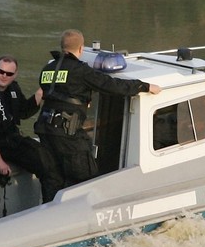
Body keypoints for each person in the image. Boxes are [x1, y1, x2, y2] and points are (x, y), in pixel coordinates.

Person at [35, 29, 160, 186]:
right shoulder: (81, 71)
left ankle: (51, 208)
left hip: (45, 131)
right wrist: (144, 86)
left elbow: (60, 93)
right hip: (68, 135)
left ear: (62, 47)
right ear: (80, 48)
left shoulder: (47, 70)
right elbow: (111, 85)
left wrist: (82, 98)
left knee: (53, 180)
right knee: (87, 180)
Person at [0, 55, 64, 223]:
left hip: (10, 140)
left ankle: (50, 208)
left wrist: (40, 94)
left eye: (9, 74)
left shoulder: (13, 89)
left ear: (15, 75)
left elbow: (23, 112)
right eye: (1, 71)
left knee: (44, 158)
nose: (4, 76)